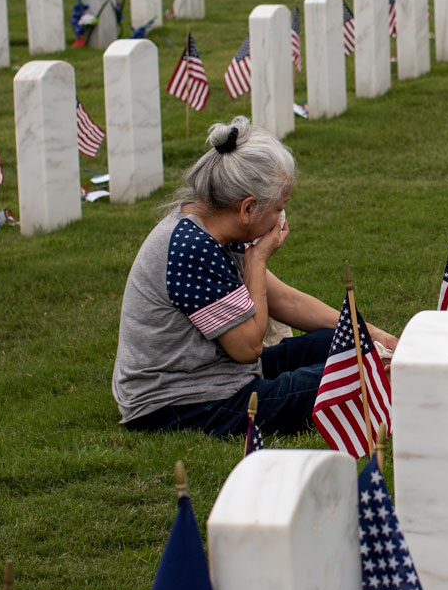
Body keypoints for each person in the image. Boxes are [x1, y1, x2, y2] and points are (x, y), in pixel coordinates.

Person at [113, 117, 401, 438]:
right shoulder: (192, 247)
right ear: (248, 208)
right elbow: (247, 347)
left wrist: (368, 333)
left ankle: (373, 362)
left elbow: (285, 300)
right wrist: (258, 261)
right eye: (279, 208)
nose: (282, 218)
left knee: (342, 344)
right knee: (355, 375)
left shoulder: (212, 226)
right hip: (184, 401)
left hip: (218, 378)